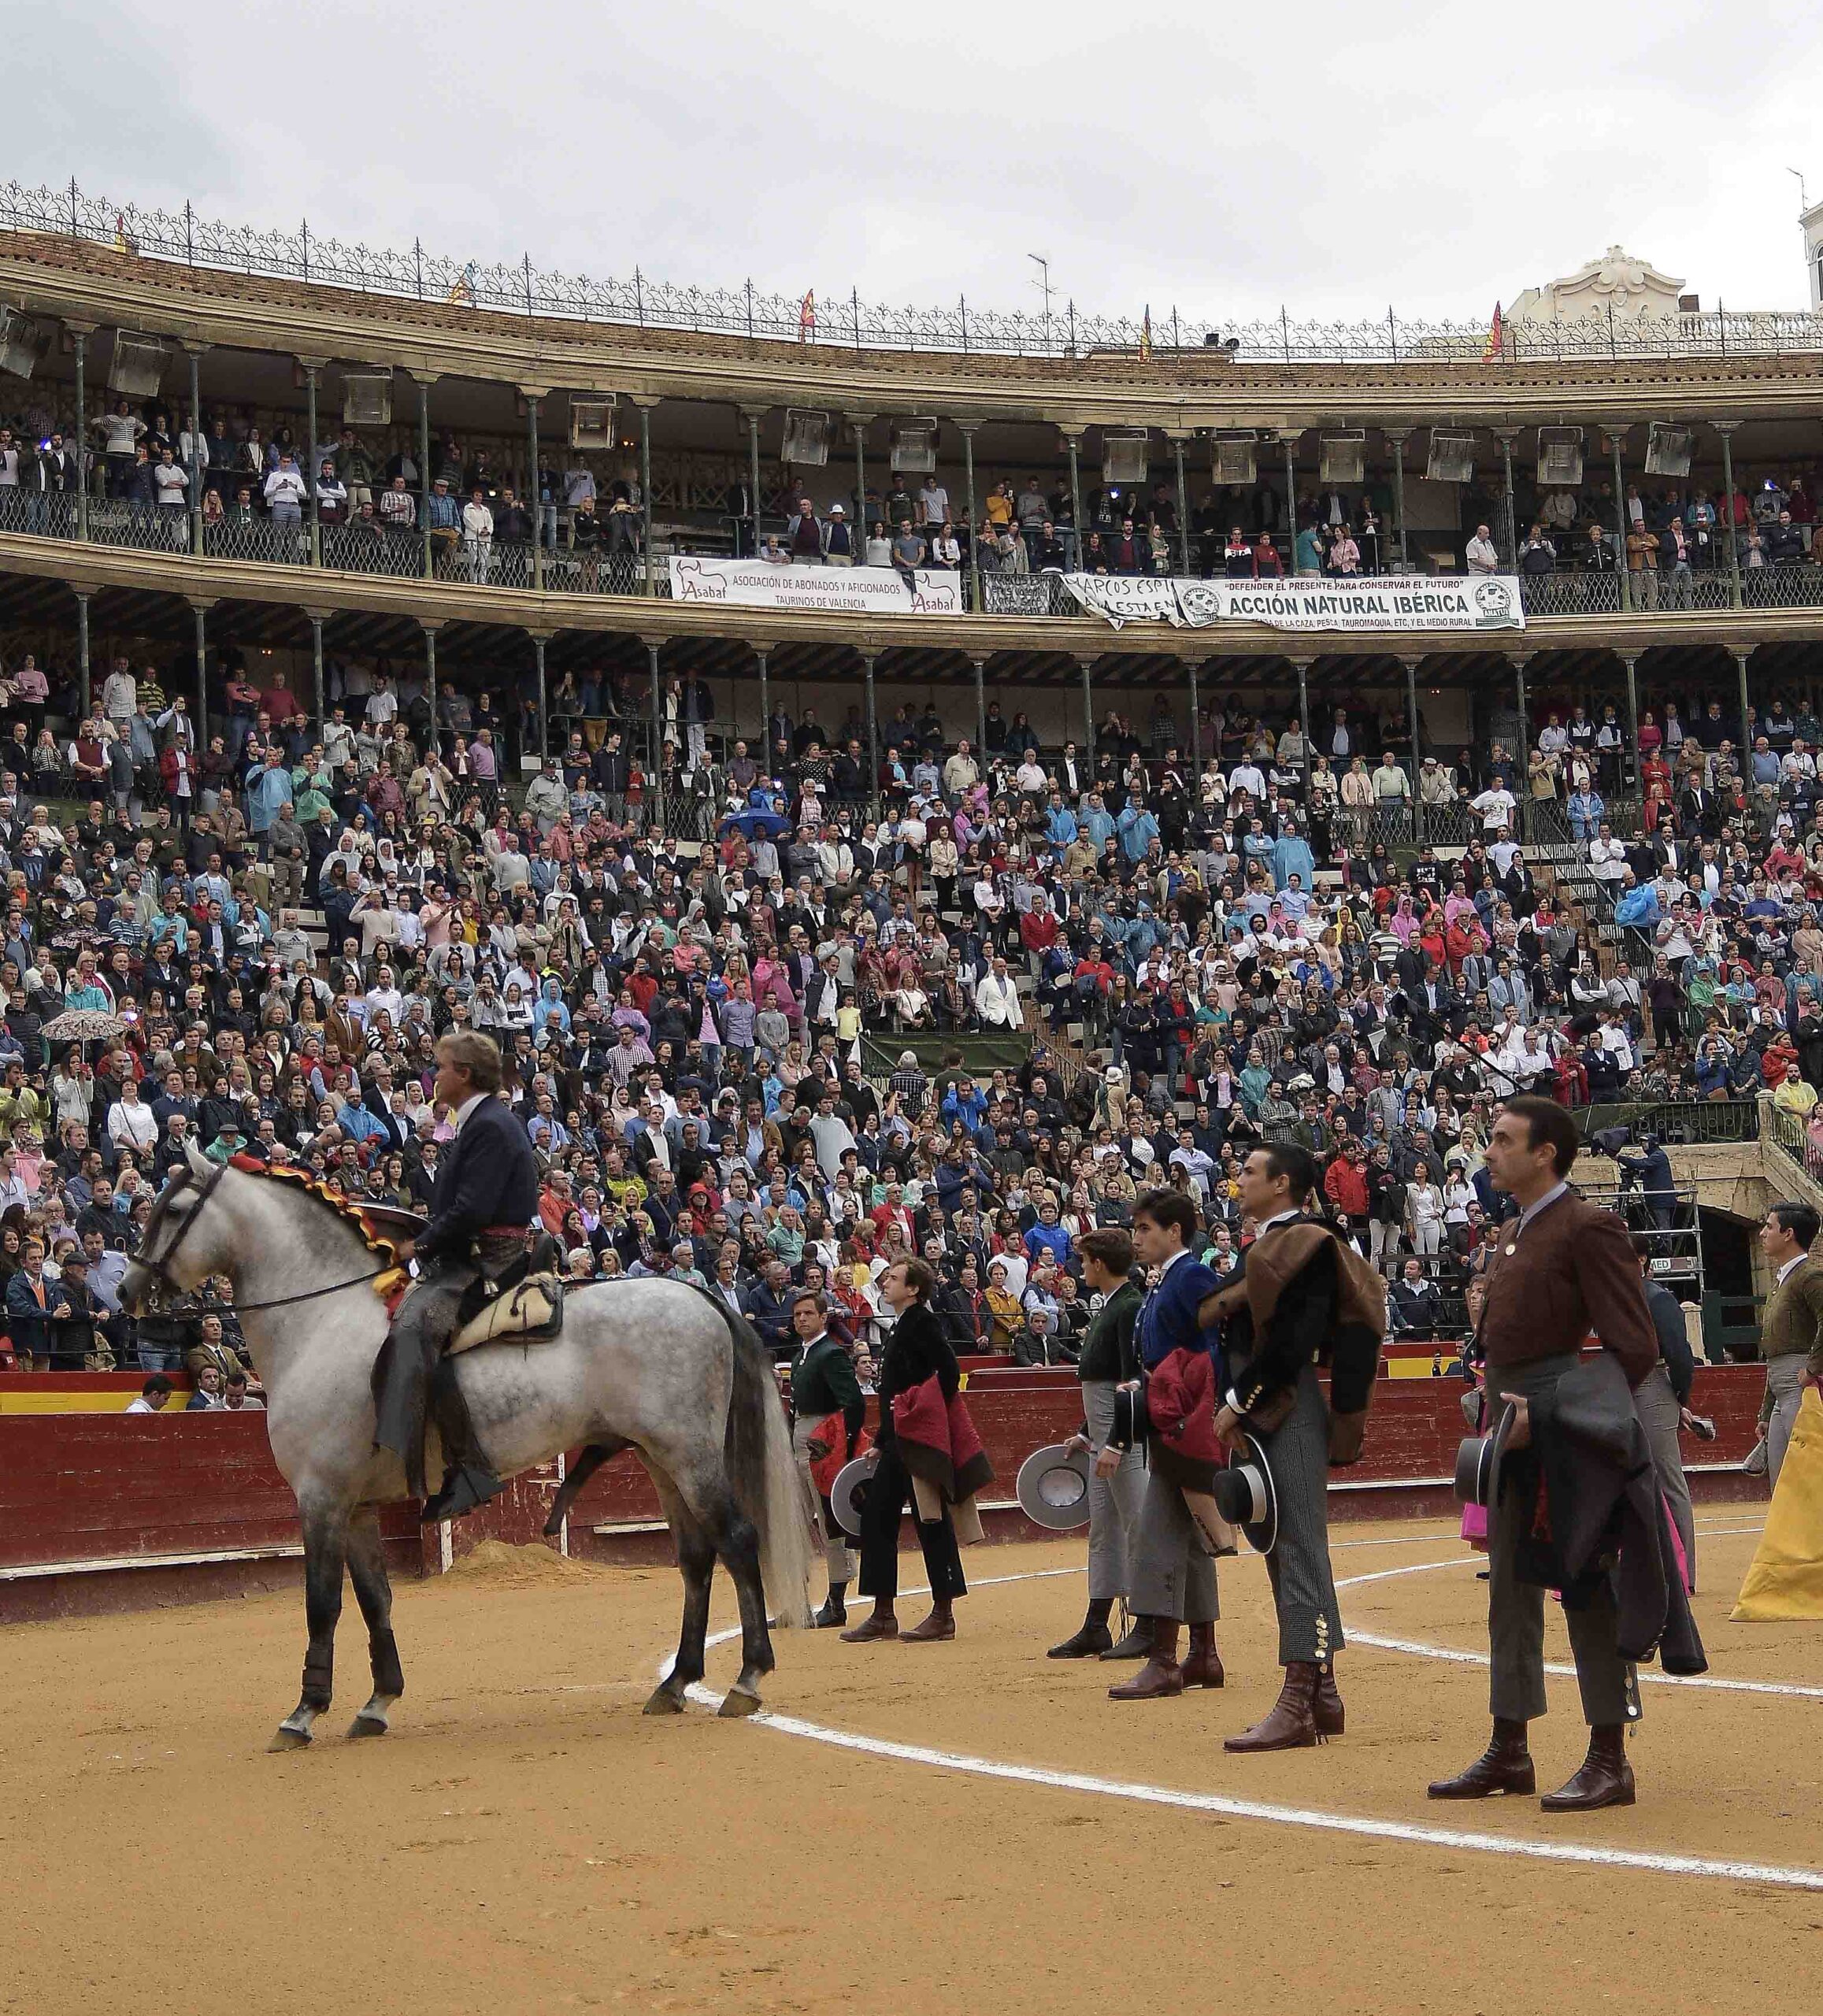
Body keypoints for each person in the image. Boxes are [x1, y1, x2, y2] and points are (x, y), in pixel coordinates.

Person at [1428, 1095, 1657, 1814]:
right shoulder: (1511, 1232)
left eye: (1501, 1140)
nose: (1487, 1151)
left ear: (1544, 1154)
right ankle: (1510, 1746)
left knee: (1586, 1583)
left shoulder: (1587, 1225)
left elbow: (1637, 1349)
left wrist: (1550, 1408)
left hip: (1563, 1430)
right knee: (1509, 1588)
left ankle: (1609, 1757)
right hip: (1512, 1423)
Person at [1206, 1143, 1380, 1751]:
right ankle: (1323, 1693)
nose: (1240, 1179)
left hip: (1283, 1399)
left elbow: (1295, 1339)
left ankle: (1300, 1698)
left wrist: (1238, 1402)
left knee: (1297, 1544)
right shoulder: (1284, 1242)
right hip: (1275, 1400)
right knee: (1285, 1542)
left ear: (1281, 1184)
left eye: (1250, 1172)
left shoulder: (1306, 1240)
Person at [376, 1031, 540, 1521]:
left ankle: (469, 1465)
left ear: (464, 1075)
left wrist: (418, 1245)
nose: (435, 1074)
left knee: (414, 1328)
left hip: (489, 1257)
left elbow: (473, 1209)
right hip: (474, 1250)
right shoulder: (482, 1121)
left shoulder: (488, 1125)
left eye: (442, 1067)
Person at [1103, 1188, 1225, 1701]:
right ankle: (1203, 1653)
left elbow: (1217, 1345)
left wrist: (1197, 1409)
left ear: (1174, 1231)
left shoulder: (1191, 1275)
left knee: (1155, 1537)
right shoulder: (1165, 1281)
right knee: (1191, 1543)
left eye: (1144, 1229)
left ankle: (1163, 1660)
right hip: (1170, 1415)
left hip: (1181, 1421)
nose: (1137, 1240)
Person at [842, 1256, 968, 1644]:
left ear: (913, 1289)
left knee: (932, 1521)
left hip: (918, 1440)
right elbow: (894, 1391)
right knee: (878, 1516)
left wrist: (920, 1412)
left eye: (894, 1278)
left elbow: (949, 1373)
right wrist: (882, 1441)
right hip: (899, 1441)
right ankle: (883, 1614)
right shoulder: (903, 1326)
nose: (886, 1282)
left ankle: (943, 1614)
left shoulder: (923, 1323)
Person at [1048, 1226, 1145, 1659]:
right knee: (1106, 1531)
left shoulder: (1128, 1307)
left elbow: (1132, 1382)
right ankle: (1096, 1625)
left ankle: (1149, 1625)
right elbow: (1105, 1388)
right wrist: (1088, 1433)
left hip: (1122, 1443)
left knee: (1137, 1529)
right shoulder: (1115, 1306)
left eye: (1085, 1261)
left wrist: (1118, 1442)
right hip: (1105, 1440)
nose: (1081, 1267)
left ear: (1100, 1264)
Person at [787, 1287, 866, 1629]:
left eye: (808, 1313)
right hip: (801, 1439)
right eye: (797, 1315)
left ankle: (836, 1603)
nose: (802, 1319)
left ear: (823, 1318)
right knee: (801, 1521)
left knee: (829, 1520)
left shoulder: (830, 1353)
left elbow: (854, 1404)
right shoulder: (802, 1355)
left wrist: (843, 1450)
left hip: (822, 1441)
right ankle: (798, 1602)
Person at [1632, 1236, 1697, 1588]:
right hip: (1626, 1386)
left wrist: (1678, 1398)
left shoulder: (1657, 1298)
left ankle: (1683, 1573)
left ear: (1642, 1260)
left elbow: (1679, 1354)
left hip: (1654, 1383)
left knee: (1667, 1477)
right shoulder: (1614, 1296)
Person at [1754, 1203, 1823, 1490]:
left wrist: (1812, 1367)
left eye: (1769, 1226)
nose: (1762, 1233)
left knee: (1807, 1477)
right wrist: (1766, 1411)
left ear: (1788, 1234)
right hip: (1782, 1387)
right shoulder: (1783, 1280)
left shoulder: (1809, 1276)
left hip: (1802, 1386)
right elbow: (1775, 1354)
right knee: (1782, 1482)